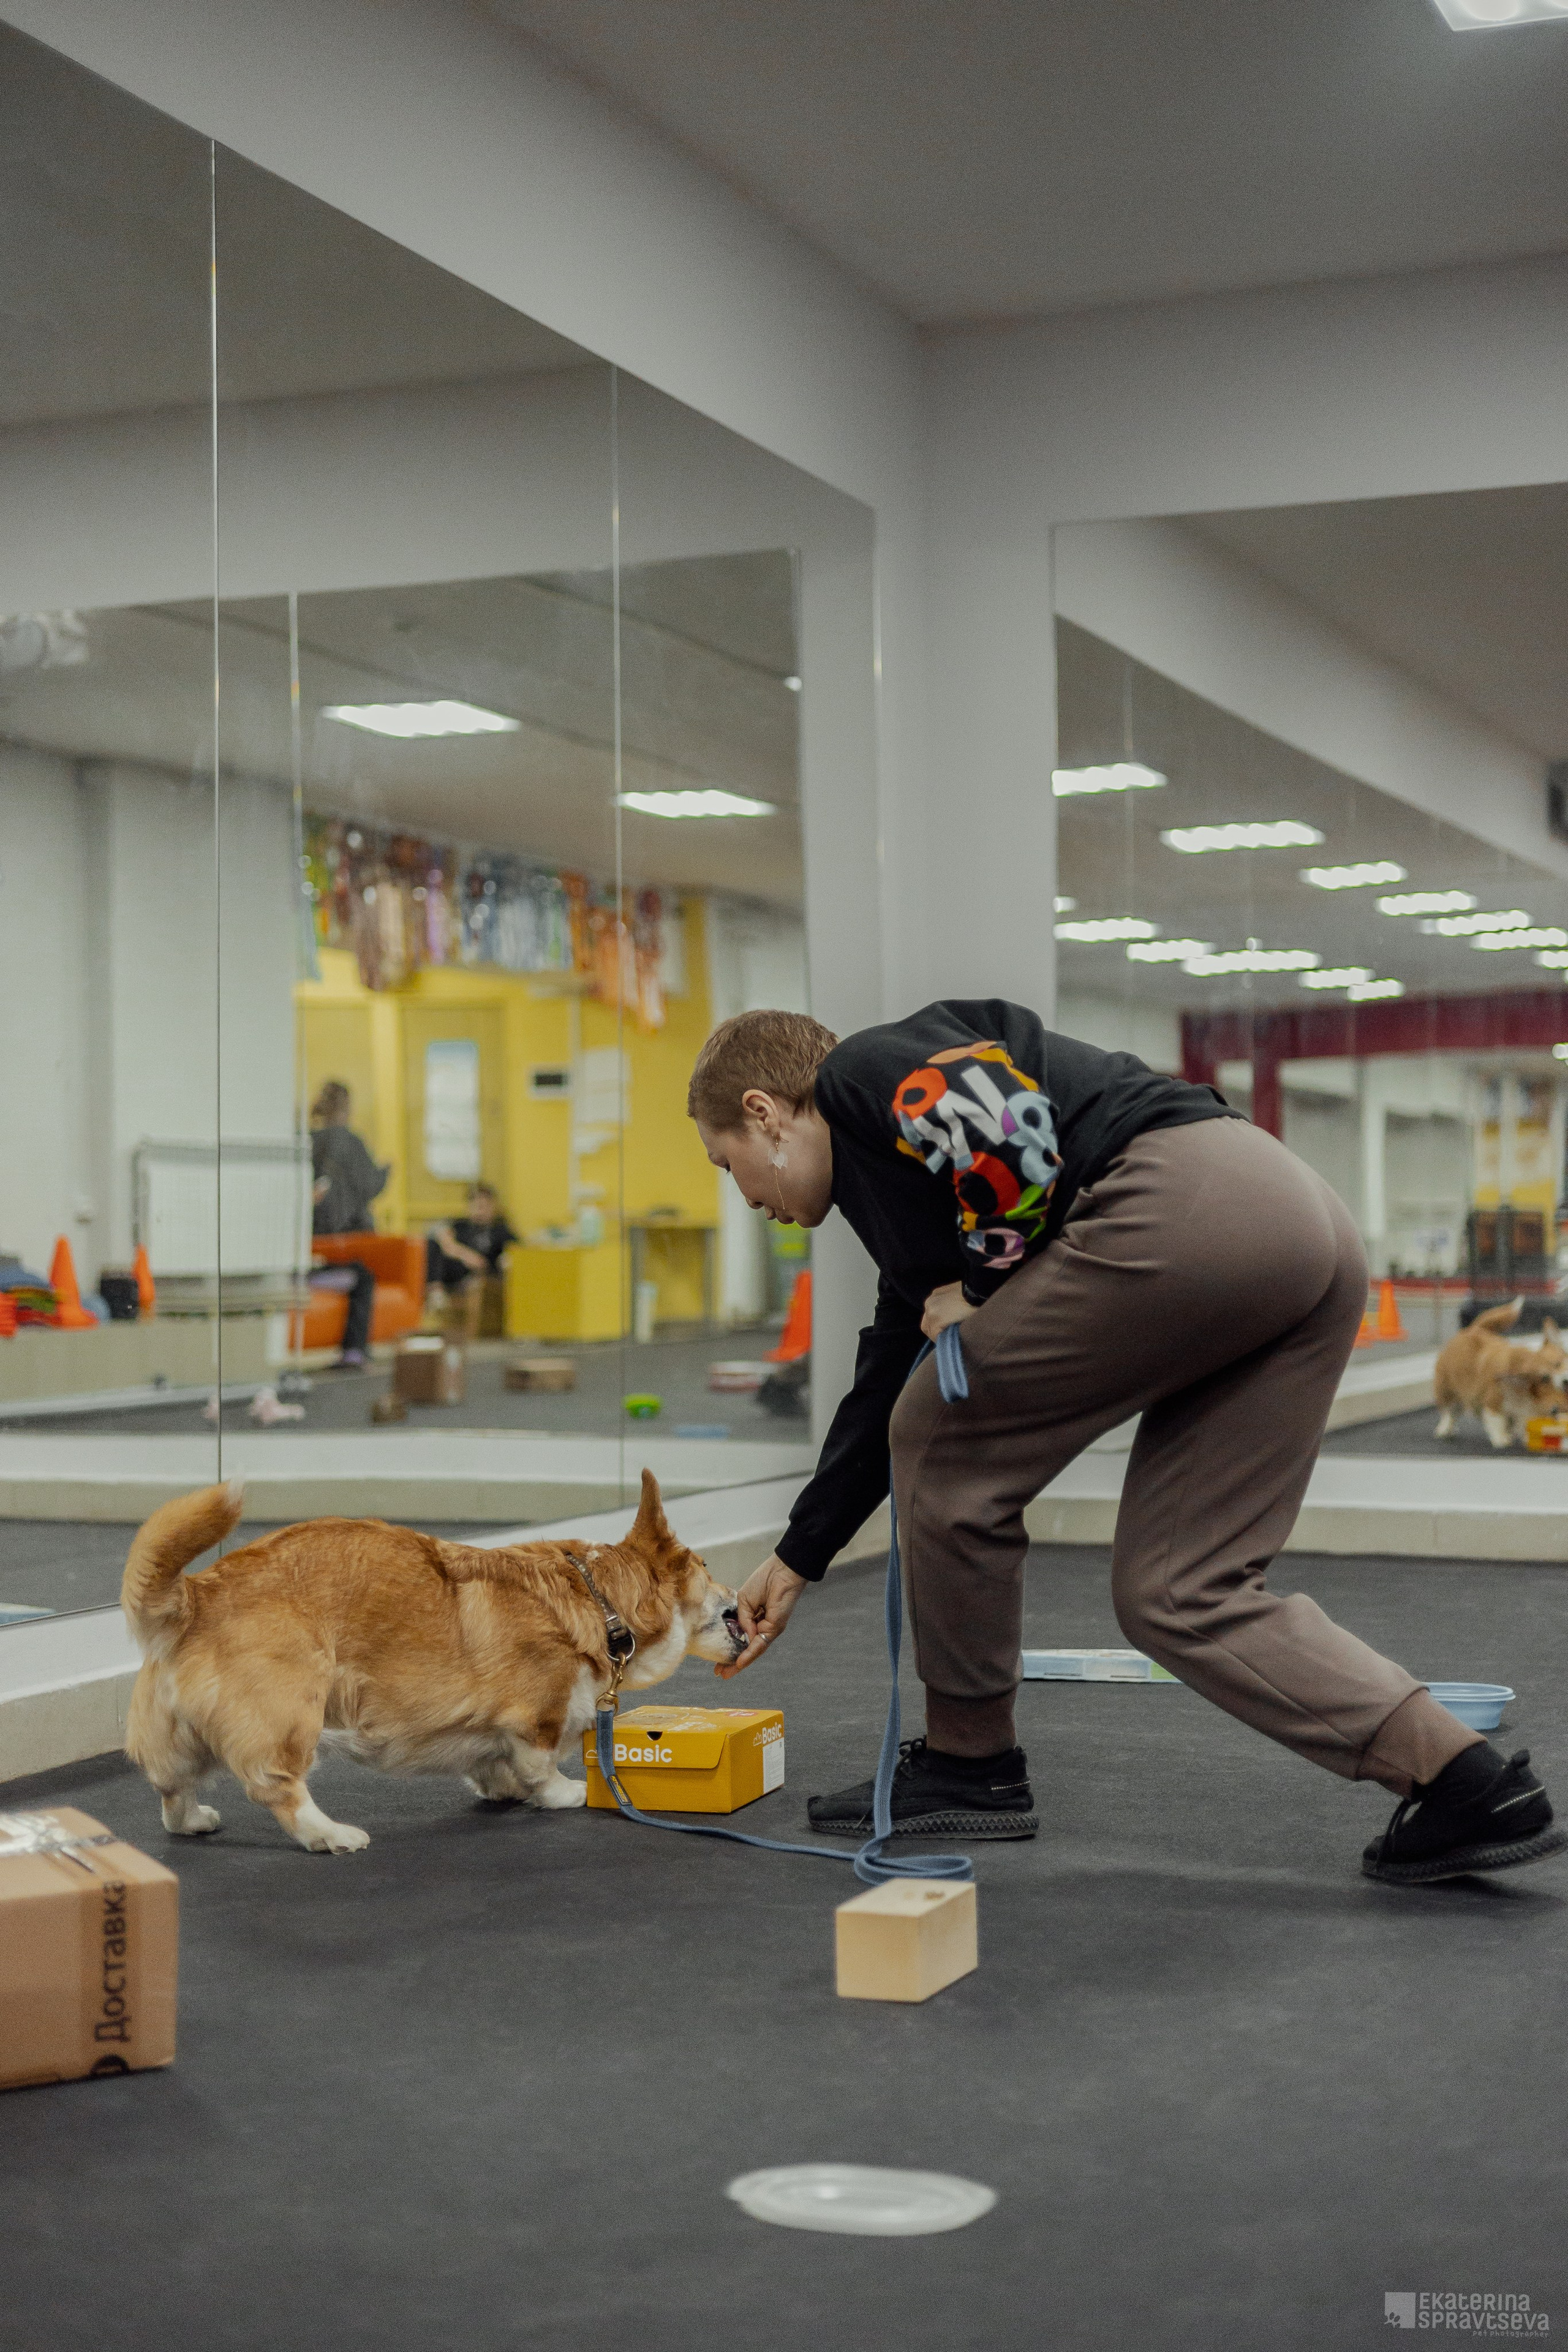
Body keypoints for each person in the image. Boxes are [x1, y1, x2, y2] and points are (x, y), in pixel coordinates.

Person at [688, 1001, 1566, 1887]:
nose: (748, 1197)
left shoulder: (862, 1074)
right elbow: (888, 1371)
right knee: (1177, 1589)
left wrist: (988, 1287)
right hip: (1302, 1229)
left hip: (1190, 1202)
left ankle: (970, 1766)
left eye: (730, 1165)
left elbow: (1006, 1127)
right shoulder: (906, 1206)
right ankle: (1463, 1781)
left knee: (938, 1434)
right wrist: (801, 1553)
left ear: (765, 1114)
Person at [308, 1080, 388, 1370]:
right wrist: (386, 1171)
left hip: (309, 1255)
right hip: (325, 1261)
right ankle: (354, 1350)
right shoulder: (350, 1142)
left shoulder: (306, 1140)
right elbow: (368, 1185)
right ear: (345, 1109)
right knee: (363, 1279)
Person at [425, 1183, 517, 1340]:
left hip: (484, 1276)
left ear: (493, 1206)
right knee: (432, 1245)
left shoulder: (501, 1230)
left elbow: (515, 1251)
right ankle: (436, 1291)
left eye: (485, 1206)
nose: (480, 1210)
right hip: (455, 1271)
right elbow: (436, 1232)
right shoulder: (460, 1225)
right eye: (476, 1205)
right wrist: (463, 1253)